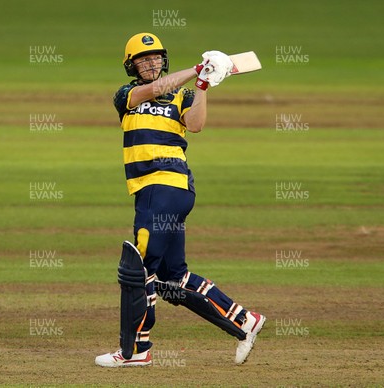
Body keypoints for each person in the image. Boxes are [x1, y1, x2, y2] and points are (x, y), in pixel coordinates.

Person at [95, 32, 265, 367]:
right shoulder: (127, 95)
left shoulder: (182, 96)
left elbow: (197, 125)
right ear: (132, 66)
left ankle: (136, 351)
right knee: (173, 278)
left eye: (155, 58)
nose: (150, 63)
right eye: (143, 60)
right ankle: (244, 322)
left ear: (163, 61)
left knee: (138, 270)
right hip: (153, 190)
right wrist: (198, 68)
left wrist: (202, 86)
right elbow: (155, 90)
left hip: (167, 186)